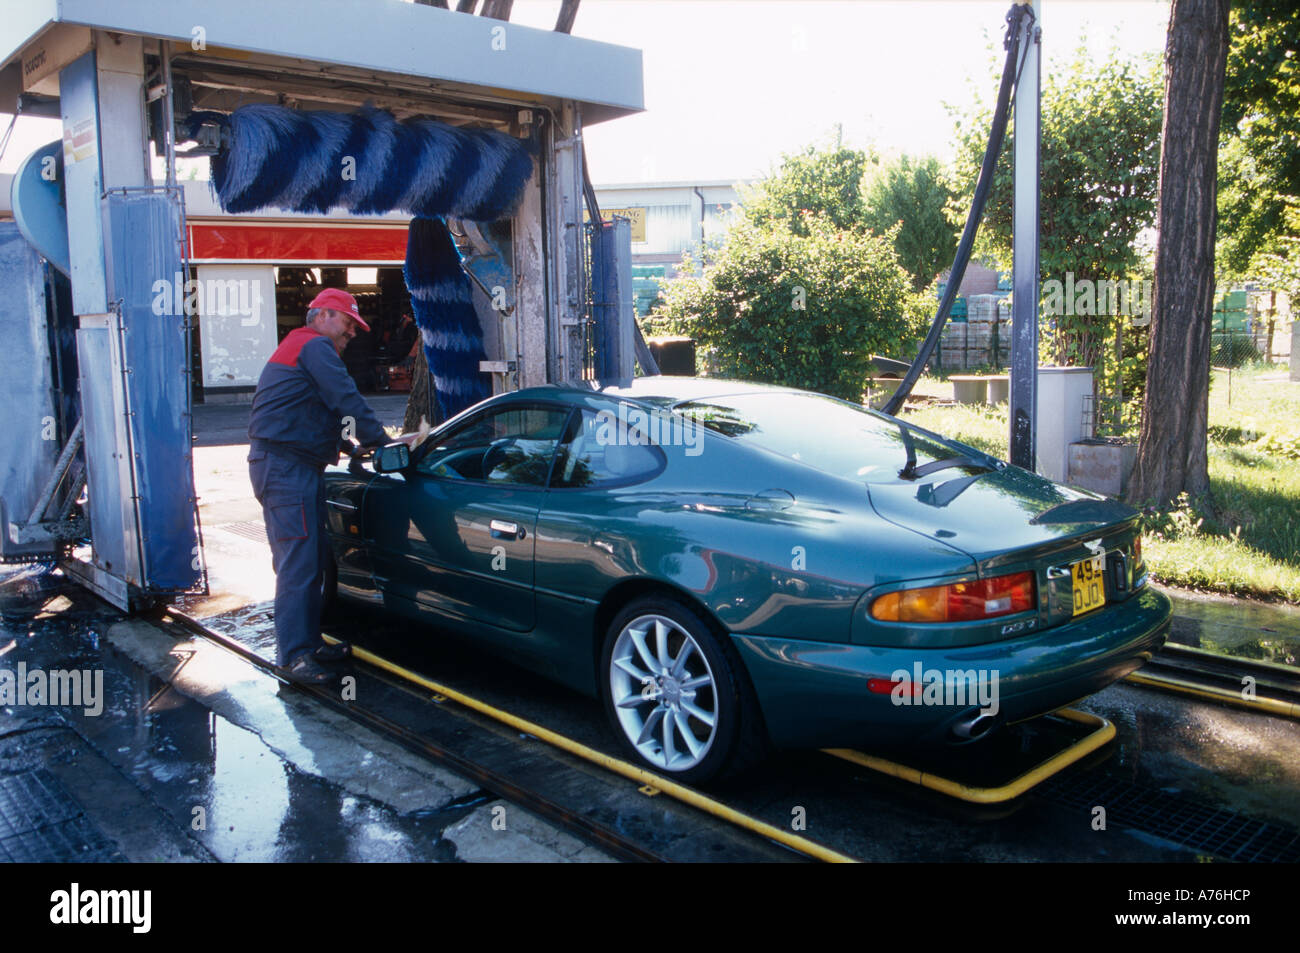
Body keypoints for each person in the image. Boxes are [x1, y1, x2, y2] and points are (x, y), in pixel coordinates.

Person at [247, 288, 389, 685]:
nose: (353, 334)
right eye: (348, 323)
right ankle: (293, 657)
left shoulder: (300, 348)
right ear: (323, 315)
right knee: (298, 563)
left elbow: (318, 409)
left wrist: (348, 444)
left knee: (309, 558)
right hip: (285, 467)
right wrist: (380, 441)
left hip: (292, 465)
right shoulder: (314, 347)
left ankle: (307, 644)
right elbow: (344, 398)